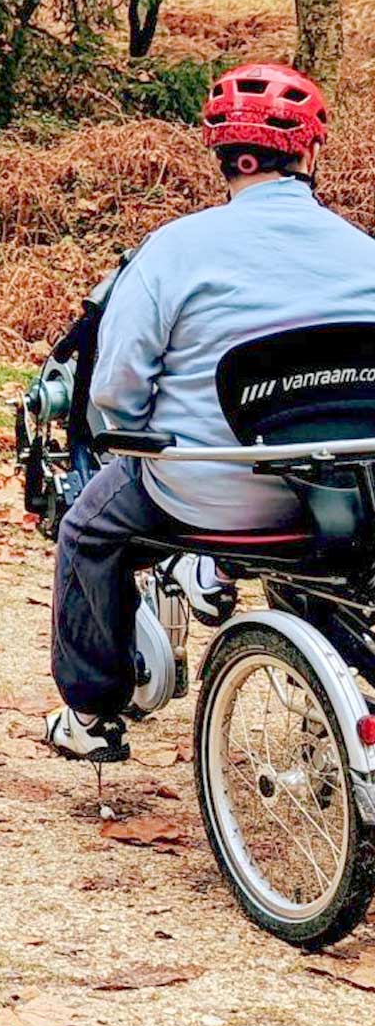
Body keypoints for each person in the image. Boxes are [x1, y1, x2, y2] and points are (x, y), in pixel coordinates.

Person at [45, 62, 375, 762]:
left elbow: (114, 392)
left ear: (221, 154)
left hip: (208, 494)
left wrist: (131, 431)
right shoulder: (364, 254)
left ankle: (92, 713)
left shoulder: (175, 249)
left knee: (88, 532)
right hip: (345, 495)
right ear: (311, 153)